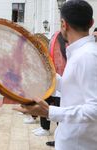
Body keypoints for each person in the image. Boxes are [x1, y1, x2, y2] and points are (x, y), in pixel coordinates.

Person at [13, 1, 97, 149]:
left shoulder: (88, 56)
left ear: (64, 24)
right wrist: (42, 72)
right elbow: (73, 87)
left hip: (79, 144)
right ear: (91, 23)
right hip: (71, 139)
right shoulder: (80, 53)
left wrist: (49, 111)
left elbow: (95, 109)